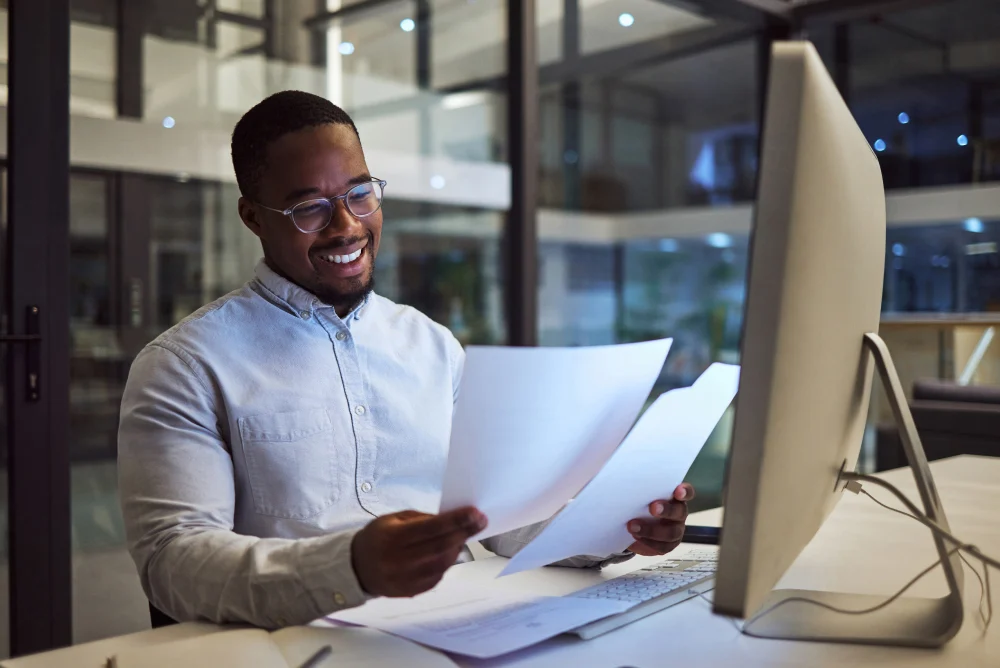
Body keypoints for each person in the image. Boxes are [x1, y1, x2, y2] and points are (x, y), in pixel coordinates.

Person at [118, 90, 696, 628]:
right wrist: (350, 567)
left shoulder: (431, 344)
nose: (347, 226)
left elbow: (501, 519)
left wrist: (620, 528)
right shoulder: (184, 365)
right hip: (307, 641)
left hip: (467, 621)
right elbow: (174, 561)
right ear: (252, 217)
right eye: (309, 208)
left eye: (359, 193)